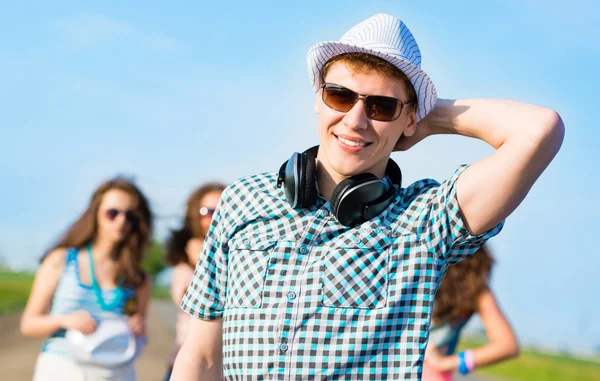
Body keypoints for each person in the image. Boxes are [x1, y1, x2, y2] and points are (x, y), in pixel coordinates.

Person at [171, 13, 564, 380]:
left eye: (381, 105)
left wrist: (430, 114)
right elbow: (202, 354)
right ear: (318, 97)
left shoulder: (425, 223)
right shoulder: (243, 199)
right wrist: (397, 112)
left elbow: (539, 130)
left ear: (410, 118)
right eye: (341, 96)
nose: (355, 120)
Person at [21, 177, 153, 381]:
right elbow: (28, 323)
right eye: (112, 213)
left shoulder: (138, 278)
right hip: (63, 367)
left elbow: (140, 331)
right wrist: (65, 320)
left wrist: (138, 326)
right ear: (96, 214)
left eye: (130, 216)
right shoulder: (62, 260)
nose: (121, 221)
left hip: (117, 370)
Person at [422, 245, 519, 380]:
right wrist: (446, 363)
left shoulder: (420, 265)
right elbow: (507, 345)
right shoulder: (474, 287)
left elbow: (508, 345)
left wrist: (444, 363)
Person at [162, 182, 226, 381]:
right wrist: (203, 260)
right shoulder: (183, 268)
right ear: (194, 217)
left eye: (221, 211)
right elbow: (188, 302)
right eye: (207, 211)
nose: (213, 218)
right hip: (188, 364)